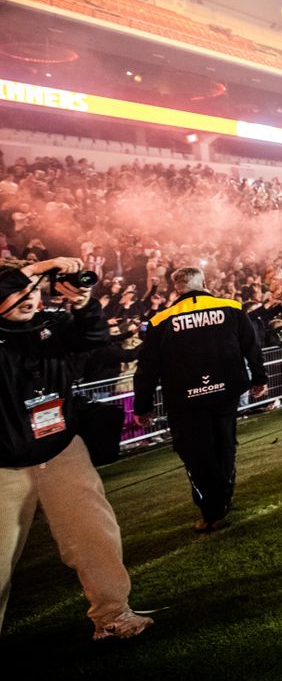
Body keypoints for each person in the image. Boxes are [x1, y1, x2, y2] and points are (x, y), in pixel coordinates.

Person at [0, 257, 153, 640]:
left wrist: (84, 302)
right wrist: (37, 270)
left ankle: (113, 615)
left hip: (62, 450)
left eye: (32, 291)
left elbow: (93, 337)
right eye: (18, 290)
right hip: (4, 464)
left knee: (94, 536)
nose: (28, 298)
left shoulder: (52, 326)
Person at [134, 266, 268, 532]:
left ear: (177, 288)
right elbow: (252, 345)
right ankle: (224, 499)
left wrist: (143, 405)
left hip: (185, 399)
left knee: (196, 454)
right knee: (225, 444)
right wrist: (259, 378)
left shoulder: (162, 320)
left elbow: (147, 367)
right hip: (226, 392)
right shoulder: (231, 307)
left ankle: (212, 510)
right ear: (204, 283)